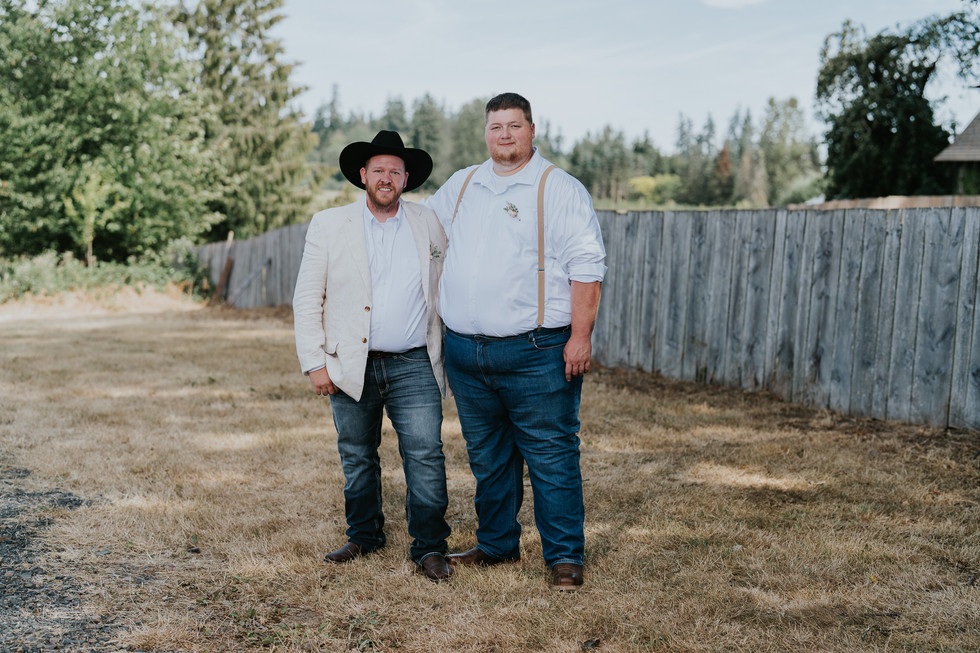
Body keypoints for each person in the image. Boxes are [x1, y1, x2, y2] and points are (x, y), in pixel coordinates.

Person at [423, 93, 606, 591]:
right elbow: (422, 232)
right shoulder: (463, 184)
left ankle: (565, 558)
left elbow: (587, 269)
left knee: (551, 455)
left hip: (538, 352)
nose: (503, 135)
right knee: (488, 458)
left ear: (531, 130)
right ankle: (497, 545)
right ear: (486, 132)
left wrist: (580, 337)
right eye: (495, 127)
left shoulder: (559, 189)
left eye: (513, 126)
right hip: (465, 351)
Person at [292, 130, 453, 582]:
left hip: (415, 361)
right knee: (358, 454)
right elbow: (307, 298)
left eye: (395, 171)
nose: (386, 177)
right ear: (363, 175)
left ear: (407, 179)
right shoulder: (329, 224)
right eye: (378, 170)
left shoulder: (430, 223)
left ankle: (429, 548)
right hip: (349, 363)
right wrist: (316, 361)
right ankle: (364, 535)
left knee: (425, 454)